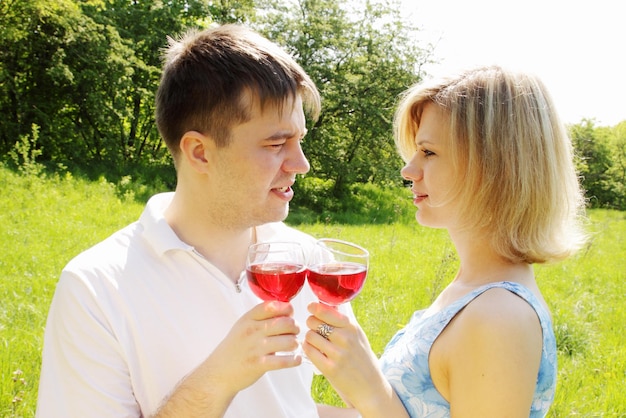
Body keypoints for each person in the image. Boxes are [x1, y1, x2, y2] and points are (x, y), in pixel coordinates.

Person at [36, 24, 355, 417]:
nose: (301, 164)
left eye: (299, 140)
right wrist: (218, 379)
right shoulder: (96, 288)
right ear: (200, 152)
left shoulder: (306, 260)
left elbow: (295, 404)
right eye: (276, 144)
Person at [303, 65, 587, 417]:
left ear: (493, 167)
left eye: (429, 152)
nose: (408, 170)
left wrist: (371, 388)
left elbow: (382, 405)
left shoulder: (500, 319)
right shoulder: (472, 289)